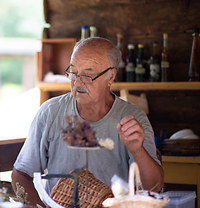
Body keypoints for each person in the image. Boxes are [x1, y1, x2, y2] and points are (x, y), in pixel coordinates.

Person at [12, 37, 164, 206]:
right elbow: (21, 175)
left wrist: (138, 150)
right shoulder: (50, 112)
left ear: (110, 76)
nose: (77, 82)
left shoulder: (132, 118)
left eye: (88, 75)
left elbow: (154, 187)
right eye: (73, 72)